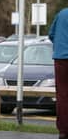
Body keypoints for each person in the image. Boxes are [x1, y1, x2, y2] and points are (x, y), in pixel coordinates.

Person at [49, 8, 68, 139]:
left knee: (62, 95)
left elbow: (51, 34)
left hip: (61, 59)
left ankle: (63, 130)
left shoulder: (61, 13)